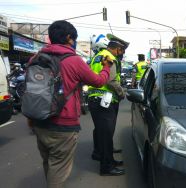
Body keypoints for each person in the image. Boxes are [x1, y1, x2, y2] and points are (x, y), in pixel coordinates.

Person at [31, 20, 111, 188]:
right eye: (74, 38)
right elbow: (98, 81)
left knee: (49, 162)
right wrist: (106, 68)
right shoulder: (74, 60)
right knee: (58, 168)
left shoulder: (35, 58)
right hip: (63, 125)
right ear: (69, 38)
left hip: (38, 121)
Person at [88, 38, 126, 176]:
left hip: (94, 98)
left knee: (101, 131)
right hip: (105, 100)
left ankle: (99, 154)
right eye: (122, 51)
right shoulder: (110, 57)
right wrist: (122, 93)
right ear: (117, 49)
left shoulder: (97, 56)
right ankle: (107, 167)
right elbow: (111, 80)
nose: (121, 54)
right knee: (106, 134)